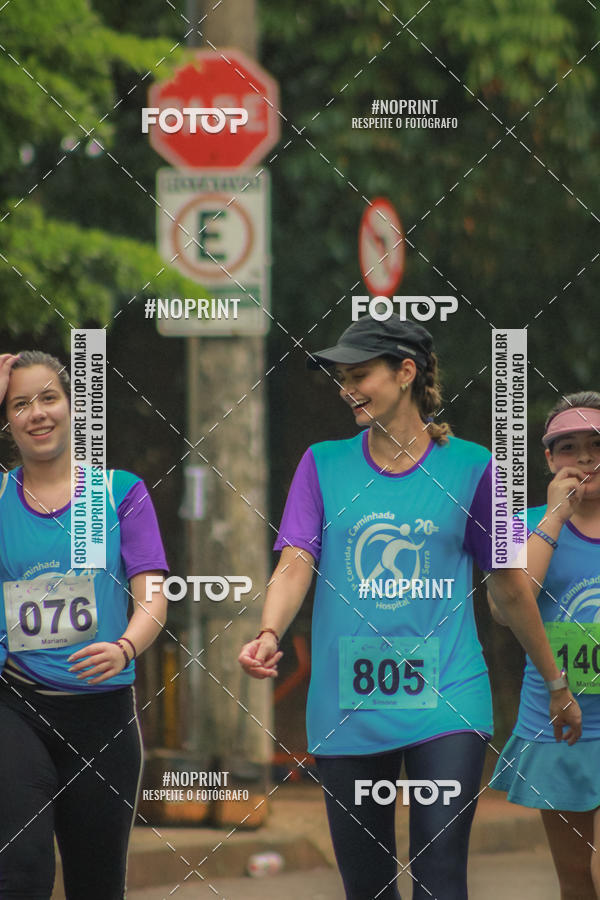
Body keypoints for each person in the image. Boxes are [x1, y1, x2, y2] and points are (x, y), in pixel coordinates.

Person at [239, 315, 581, 900]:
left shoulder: (476, 470)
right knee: (367, 885)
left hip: (448, 696)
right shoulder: (321, 464)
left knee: (440, 876)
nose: (346, 389)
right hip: (348, 704)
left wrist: (554, 681)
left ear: (405, 372)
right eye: (341, 378)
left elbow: (508, 587)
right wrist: (271, 629)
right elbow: (296, 561)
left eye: (359, 374)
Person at [0, 351, 168, 900]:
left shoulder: (121, 492)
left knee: (97, 886)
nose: (37, 413)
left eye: (49, 397)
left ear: (73, 407)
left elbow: (154, 595)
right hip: (16, 705)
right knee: (20, 872)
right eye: (20, 403)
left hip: (104, 715)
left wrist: (125, 646)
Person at [491, 392, 600, 900]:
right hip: (561, 722)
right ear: (549, 459)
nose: (584, 458)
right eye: (569, 447)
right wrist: (555, 516)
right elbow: (507, 603)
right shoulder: (521, 520)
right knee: (577, 880)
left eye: (596, 445)